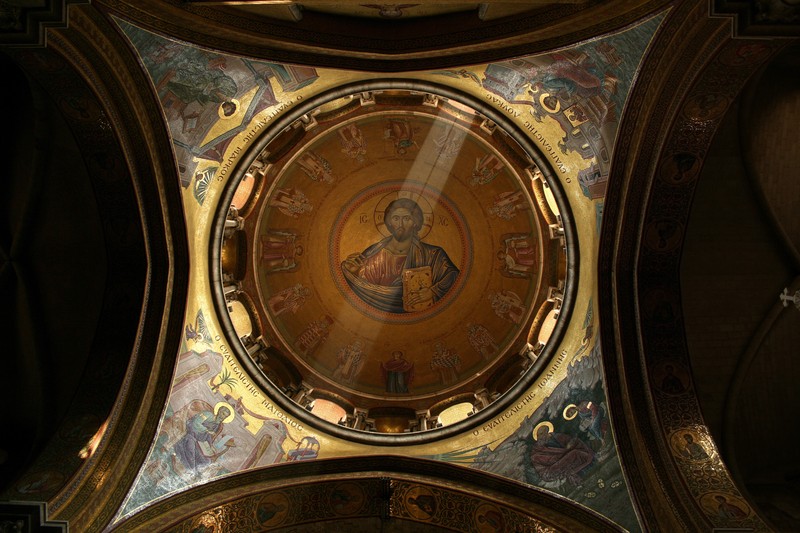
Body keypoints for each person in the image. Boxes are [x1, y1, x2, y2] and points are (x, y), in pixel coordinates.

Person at [341, 198, 459, 313]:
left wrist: (433, 292)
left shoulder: (433, 254)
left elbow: (453, 276)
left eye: (407, 218)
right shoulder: (373, 254)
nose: (400, 224)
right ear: (389, 222)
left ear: (415, 222)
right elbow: (365, 288)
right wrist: (354, 272)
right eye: (396, 218)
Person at [530, 422, 594, 485]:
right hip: (551, 468)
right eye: (539, 435)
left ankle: (587, 463)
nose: (541, 436)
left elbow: (570, 440)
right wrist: (562, 454)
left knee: (577, 448)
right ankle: (581, 466)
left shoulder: (557, 436)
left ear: (547, 431)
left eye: (542, 433)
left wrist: (570, 444)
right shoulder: (538, 448)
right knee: (575, 453)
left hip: (565, 456)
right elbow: (541, 459)